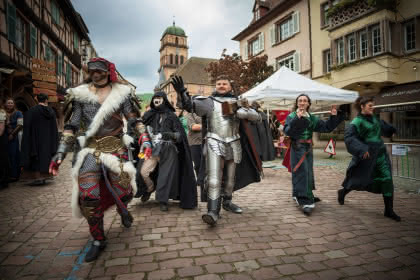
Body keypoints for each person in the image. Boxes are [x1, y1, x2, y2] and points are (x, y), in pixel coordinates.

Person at [49, 57, 143, 262]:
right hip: (90, 150)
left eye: (100, 71)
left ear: (107, 72)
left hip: (115, 147)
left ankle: (122, 207)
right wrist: (60, 152)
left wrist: (144, 136)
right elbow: (72, 126)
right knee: (89, 196)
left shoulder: (122, 94)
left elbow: (133, 118)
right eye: (92, 71)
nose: (96, 74)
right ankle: (98, 239)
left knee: (124, 191)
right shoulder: (81, 96)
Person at [171, 75, 262, 226]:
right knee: (214, 178)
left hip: (234, 142)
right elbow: (188, 105)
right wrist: (182, 92)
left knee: (230, 180)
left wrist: (244, 111)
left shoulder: (238, 101)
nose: (221, 86)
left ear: (230, 86)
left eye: (224, 84)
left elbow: (258, 118)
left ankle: (227, 202)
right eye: (218, 83)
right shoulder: (208, 102)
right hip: (214, 141)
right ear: (215, 86)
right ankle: (213, 211)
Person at [338, 96, 400, 221]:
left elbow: (383, 128)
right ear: (362, 106)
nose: (373, 107)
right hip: (367, 156)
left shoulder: (375, 119)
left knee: (387, 178)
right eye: (370, 105)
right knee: (357, 179)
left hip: (381, 155)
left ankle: (388, 210)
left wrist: (391, 130)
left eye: (373, 105)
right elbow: (349, 138)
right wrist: (362, 149)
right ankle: (343, 192)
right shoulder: (356, 122)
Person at [283, 93, 344, 215]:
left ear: (308, 104)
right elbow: (288, 131)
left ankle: (304, 194)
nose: (302, 103)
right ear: (297, 103)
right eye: (300, 100)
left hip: (308, 148)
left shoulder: (312, 117)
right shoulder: (291, 116)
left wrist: (333, 115)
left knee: (308, 172)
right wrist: (297, 119)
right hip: (297, 147)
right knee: (301, 172)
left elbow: (326, 127)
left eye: (305, 101)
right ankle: (305, 200)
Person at [136, 91, 197, 211]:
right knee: (143, 172)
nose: (156, 100)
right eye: (155, 98)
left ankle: (162, 200)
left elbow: (180, 135)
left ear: (164, 100)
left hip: (169, 149)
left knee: (165, 176)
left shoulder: (171, 116)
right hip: (152, 149)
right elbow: (139, 127)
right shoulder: (149, 114)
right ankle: (149, 188)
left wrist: (172, 135)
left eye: (159, 98)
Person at [21, 94, 58, 186]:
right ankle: (44, 177)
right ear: (46, 100)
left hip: (35, 138)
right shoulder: (51, 111)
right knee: (46, 157)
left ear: (37, 100)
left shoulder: (31, 111)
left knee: (36, 158)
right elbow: (54, 128)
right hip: (48, 139)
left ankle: (38, 178)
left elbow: (27, 126)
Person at [186, 112, 206, 200]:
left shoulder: (206, 113)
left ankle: (204, 192)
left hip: (206, 142)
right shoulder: (191, 114)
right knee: (198, 166)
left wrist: (201, 126)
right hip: (194, 143)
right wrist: (207, 126)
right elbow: (193, 127)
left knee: (205, 167)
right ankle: (202, 185)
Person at [5, 97, 23, 182]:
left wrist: (12, 134)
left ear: (14, 104)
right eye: (8, 103)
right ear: (5, 104)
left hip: (15, 137)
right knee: (6, 156)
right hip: (4, 136)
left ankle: (14, 175)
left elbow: (20, 125)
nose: (10, 104)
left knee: (14, 155)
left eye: (11, 103)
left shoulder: (18, 113)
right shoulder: (3, 112)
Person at [0, 101, 9, 190]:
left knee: (2, 160)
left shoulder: (1, 112)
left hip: (2, 139)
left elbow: (1, 129)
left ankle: (3, 181)